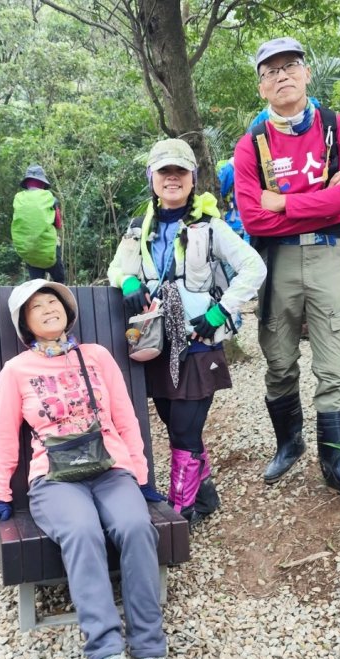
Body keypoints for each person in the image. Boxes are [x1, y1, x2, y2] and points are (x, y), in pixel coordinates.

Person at [0, 279, 176, 659]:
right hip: (54, 479)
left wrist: (141, 478)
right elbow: (4, 440)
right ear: (25, 324)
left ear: (68, 312)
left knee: (135, 527)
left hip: (111, 469)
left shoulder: (97, 356)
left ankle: (149, 653)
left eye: (55, 301)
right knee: (83, 533)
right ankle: (109, 658)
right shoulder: (16, 371)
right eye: (38, 306)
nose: (49, 308)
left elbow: (126, 419)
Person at [233, 37, 340, 503]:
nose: (282, 75)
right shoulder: (250, 146)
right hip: (274, 260)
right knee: (277, 360)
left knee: (333, 363)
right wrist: (322, 201)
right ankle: (288, 442)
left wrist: (286, 202)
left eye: (291, 65)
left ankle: (335, 463)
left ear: (307, 73)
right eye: (270, 70)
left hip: (329, 256)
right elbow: (255, 217)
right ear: (261, 87)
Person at [108, 138, 266, 525]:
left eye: (180, 172)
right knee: (173, 422)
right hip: (156, 344)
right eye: (165, 172)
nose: (172, 179)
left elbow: (254, 268)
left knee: (182, 430)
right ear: (153, 178)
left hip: (197, 343)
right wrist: (128, 283)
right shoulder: (137, 229)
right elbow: (117, 269)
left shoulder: (210, 226)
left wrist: (221, 311)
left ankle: (181, 511)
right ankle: (205, 493)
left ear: (193, 178)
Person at [11, 165, 66, 282]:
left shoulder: (19, 199)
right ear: (42, 183)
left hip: (29, 251)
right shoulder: (49, 198)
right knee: (60, 280)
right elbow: (58, 224)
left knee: (36, 284)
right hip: (49, 250)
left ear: (27, 183)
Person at [216, 157, 251, 242]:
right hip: (238, 217)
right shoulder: (230, 169)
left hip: (239, 217)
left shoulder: (228, 169)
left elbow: (220, 192)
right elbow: (220, 192)